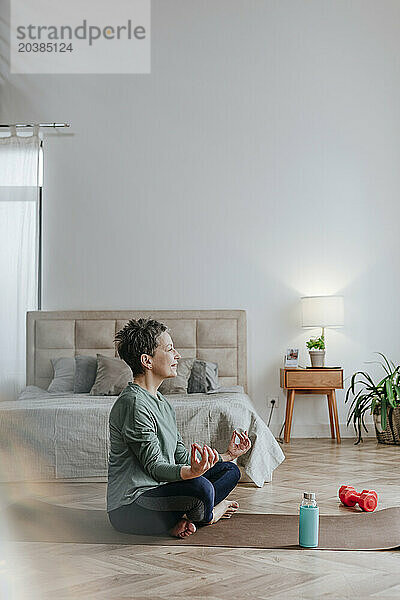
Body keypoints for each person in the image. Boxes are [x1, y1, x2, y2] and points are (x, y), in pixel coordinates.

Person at [107, 317, 251, 539]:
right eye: (170, 349)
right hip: (132, 507)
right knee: (201, 488)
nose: (177, 356)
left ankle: (185, 518)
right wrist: (192, 473)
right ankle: (209, 514)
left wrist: (228, 455)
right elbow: (154, 466)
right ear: (147, 360)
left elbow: (179, 454)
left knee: (230, 470)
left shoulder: (162, 402)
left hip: (161, 493)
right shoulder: (134, 403)